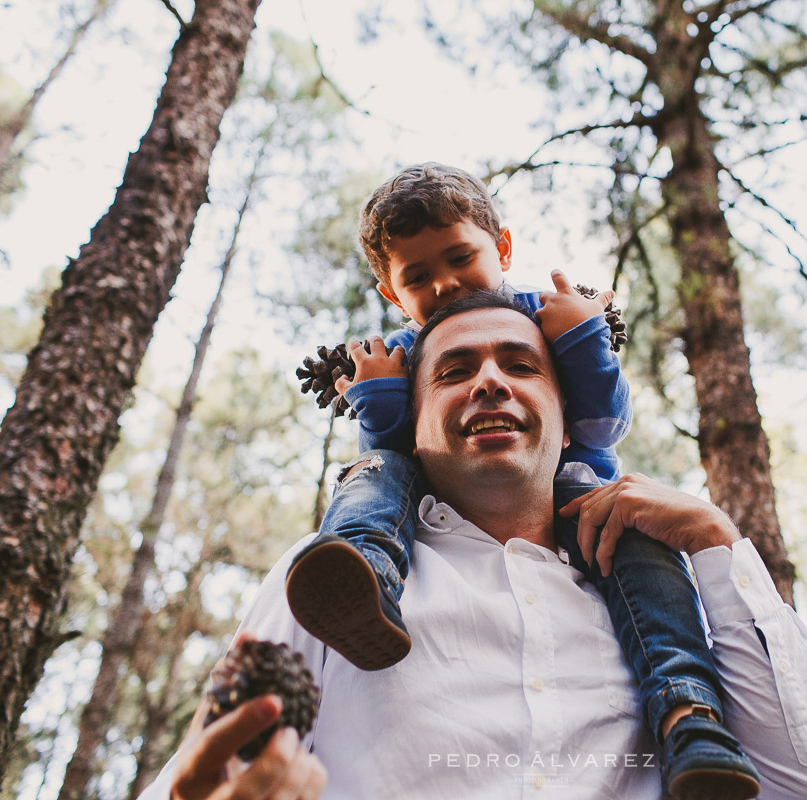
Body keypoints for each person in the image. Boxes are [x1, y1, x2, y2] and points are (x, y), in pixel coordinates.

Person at [138, 295, 807, 800]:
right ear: (410, 429)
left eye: (520, 364)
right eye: (453, 372)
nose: (488, 381)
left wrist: (715, 538)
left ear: (569, 423)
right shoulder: (328, 576)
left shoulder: (662, 603)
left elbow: (803, 783)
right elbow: (210, 768)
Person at [284, 164, 761, 793]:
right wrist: (376, 396)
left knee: (642, 554)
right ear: (391, 293)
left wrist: (584, 339)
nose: (446, 284)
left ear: (502, 248)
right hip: (437, 500)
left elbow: (600, 424)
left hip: (575, 492)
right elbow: (414, 446)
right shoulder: (401, 348)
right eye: (418, 277)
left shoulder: (543, 312)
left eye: (460, 257)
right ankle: (363, 576)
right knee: (372, 473)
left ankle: (689, 714)